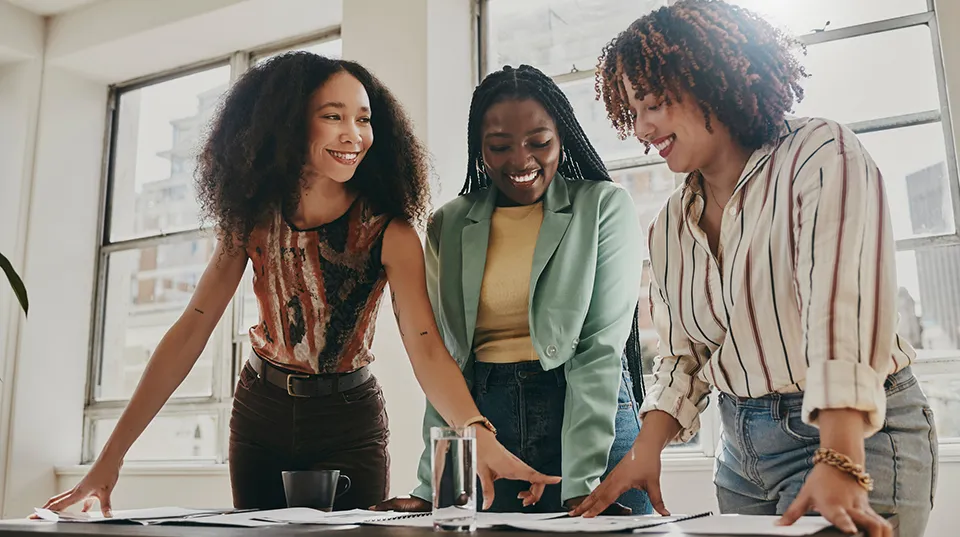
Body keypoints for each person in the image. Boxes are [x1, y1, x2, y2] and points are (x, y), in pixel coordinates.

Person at [40, 53, 559, 515]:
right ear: (288, 124)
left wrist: (476, 434)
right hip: (260, 413)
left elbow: (425, 347)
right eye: (333, 116)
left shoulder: (391, 232)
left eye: (363, 118)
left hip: (348, 420)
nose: (353, 133)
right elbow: (189, 333)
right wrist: (108, 462)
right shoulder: (252, 221)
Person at [571, 2, 938, 536]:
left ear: (710, 82)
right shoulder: (669, 225)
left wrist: (839, 456)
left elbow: (844, 314)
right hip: (740, 457)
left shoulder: (819, 155)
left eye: (652, 105)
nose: (642, 128)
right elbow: (683, 358)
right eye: (633, 112)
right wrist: (643, 451)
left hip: (857, 434)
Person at [375, 64, 652, 515]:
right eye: (499, 147)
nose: (521, 161)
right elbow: (447, 359)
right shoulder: (450, 223)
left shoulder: (602, 205)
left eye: (539, 143)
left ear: (562, 138)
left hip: (587, 420)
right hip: (488, 427)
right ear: (479, 150)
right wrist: (432, 482)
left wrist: (581, 482)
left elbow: (598, 349)